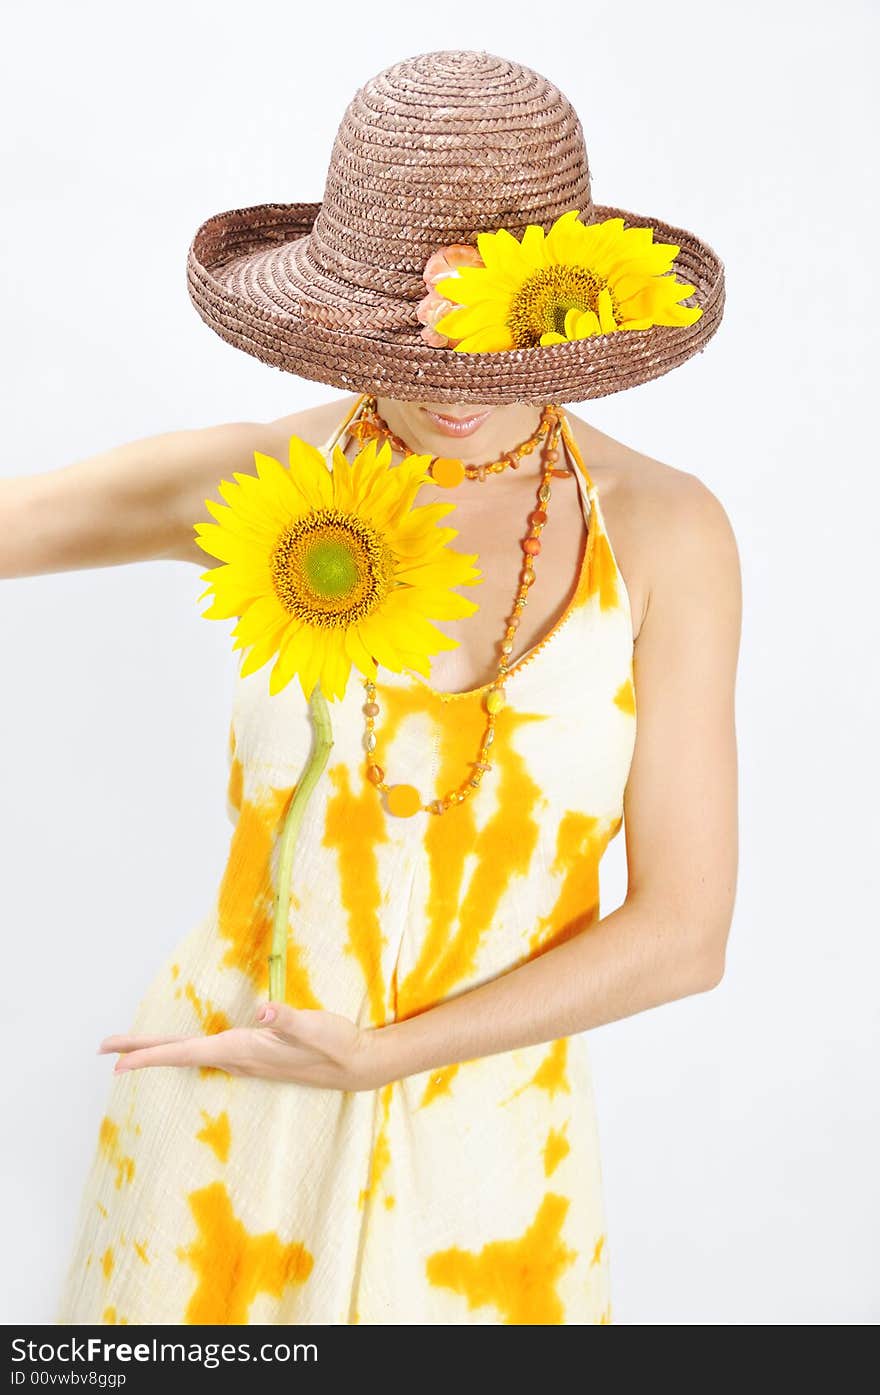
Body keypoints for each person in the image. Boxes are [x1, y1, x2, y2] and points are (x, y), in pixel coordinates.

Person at [2, 50, 740, 1325]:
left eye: (496, 349)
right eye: (407, 347)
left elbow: (685, 932)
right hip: (224, 1125)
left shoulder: (667, 533)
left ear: (572, 307)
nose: (456, 397)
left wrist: (386, 1060)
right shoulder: (260, 482)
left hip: (498, 1165)